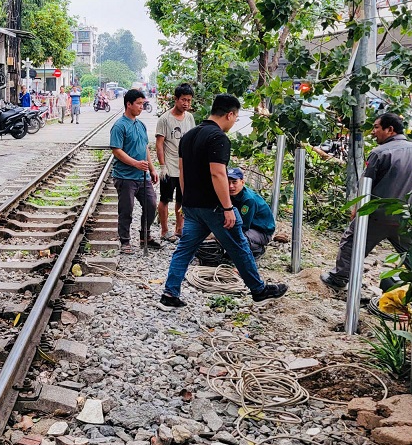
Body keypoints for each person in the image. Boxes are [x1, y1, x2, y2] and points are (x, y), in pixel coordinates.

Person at [160, 94, 288, 309]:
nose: (234, 122)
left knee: (184, 249)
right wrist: (228, 207)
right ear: (229, 114)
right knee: (239, 246)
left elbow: (182, 172)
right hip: (215, 206)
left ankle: (170, 294)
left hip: (192, 206)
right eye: (235, 117)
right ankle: (258, 290)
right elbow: (218, 174)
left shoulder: (189, 136)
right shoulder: (218, 138)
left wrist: (185, 202)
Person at [320, 112, 412, 291]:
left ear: (390, 130)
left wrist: (357, 208)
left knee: (352, 242)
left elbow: (367, 183)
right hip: (409, 216)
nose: (373, 132)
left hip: (378, 215)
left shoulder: (380, 153)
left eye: (376, 127)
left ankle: (339, 278)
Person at [110, 89, 162, 255]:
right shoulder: (119, 126)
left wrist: (152, 169)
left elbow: (144, 147)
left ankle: (144, 236)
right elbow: (116, 150)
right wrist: (135, 164)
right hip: (125, 176)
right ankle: (125, 241)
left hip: (143, 175)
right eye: (139, 104)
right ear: (129, 104)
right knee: (127, 209)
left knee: (152, 204)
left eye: (143, 103)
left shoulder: (141, 125)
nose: (142, 107)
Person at [155, 84, 196, 242]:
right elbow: (159, 144)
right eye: (183, 100)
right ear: (176, 99)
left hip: (184, 167)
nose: (186, 103)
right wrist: (162, 166)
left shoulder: (190, 118)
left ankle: (179, 229)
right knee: (165, 198)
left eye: (189, 100)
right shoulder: (165, 119)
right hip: (169, 166)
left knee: (182, 199)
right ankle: (164, 230)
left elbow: (192, 140)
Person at [227, 168, 275, 257]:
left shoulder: (248, 200)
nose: (231, 186)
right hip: (249, 228)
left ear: (242, 182)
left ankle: (255, 251)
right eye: (228, 182)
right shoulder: (231, 195)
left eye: (234, 182)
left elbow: (243, 226)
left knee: (236, 238)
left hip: (261, 232)